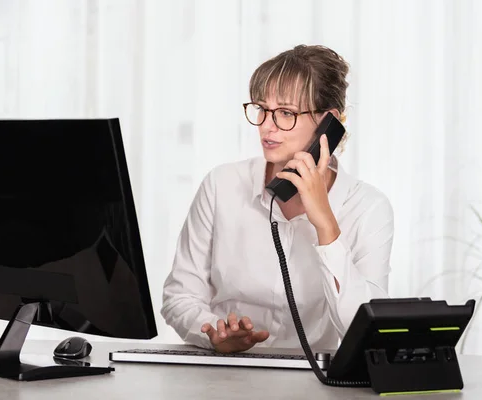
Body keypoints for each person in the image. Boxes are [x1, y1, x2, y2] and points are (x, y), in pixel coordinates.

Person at [160, 44, 394, 354]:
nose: (267, 126)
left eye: (285, 113)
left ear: (330, 123)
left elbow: (363, 329)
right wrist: (214, 333)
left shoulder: (368, 208)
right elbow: (179, 296)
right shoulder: (221, 185)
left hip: (313, 383)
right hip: (222, 374)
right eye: (261, 109)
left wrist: (325, 225)